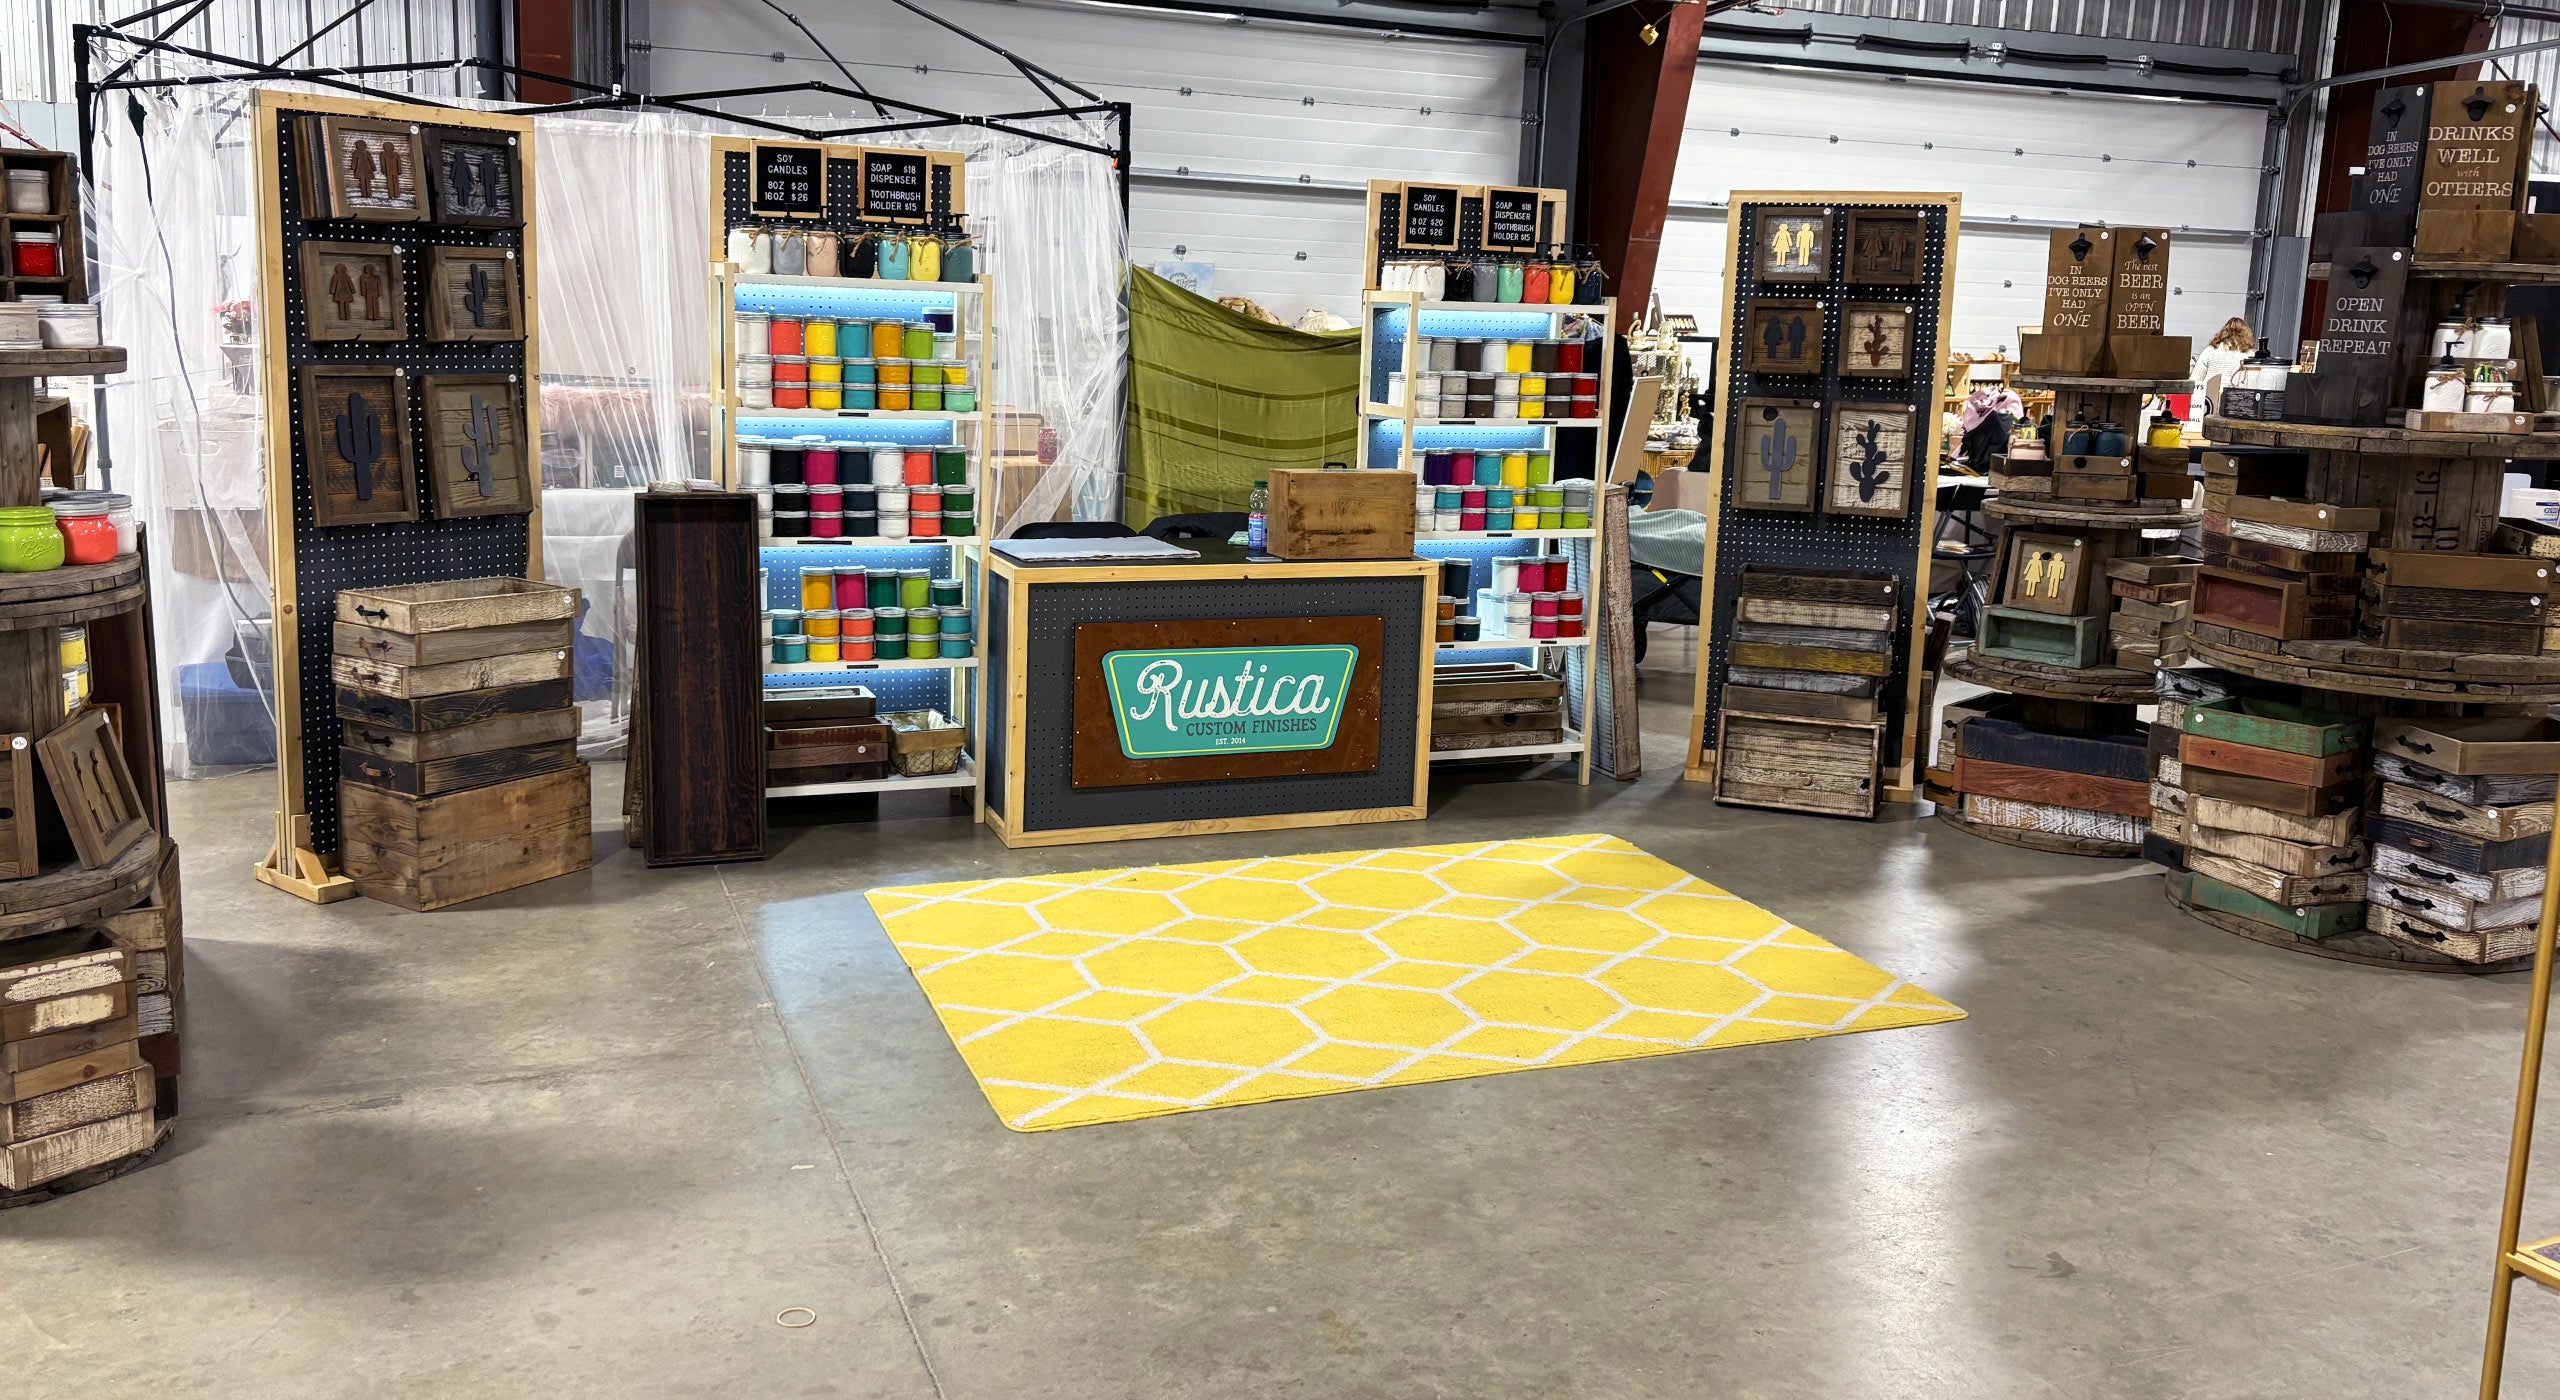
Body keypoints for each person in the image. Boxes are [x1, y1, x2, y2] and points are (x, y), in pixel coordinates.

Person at [2186, 318, 2255, 421]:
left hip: (2209, 402)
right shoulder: (2251, 354)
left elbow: (2195, 380)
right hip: (2237, 404)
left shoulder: (2210, 350)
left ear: (2224, 332)